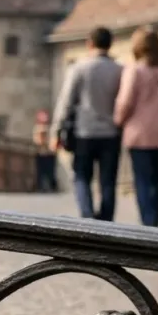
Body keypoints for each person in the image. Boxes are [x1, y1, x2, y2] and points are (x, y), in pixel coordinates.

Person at [52, 27, 123, 221]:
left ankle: (87, 215)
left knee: (81, 176)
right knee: (108, 180)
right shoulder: (119, 70)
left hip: (84, 131)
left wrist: (57, 130)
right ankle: (106, 220)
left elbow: (66, 101)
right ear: (110, 44)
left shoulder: (79, 68)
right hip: (111, 132)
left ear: (89, 44)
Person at [115, 28, 158, 227]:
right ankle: (155, 222)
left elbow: (125, 102)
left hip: (139, 133)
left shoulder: (135, 70)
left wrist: (119, 121)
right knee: (156, 179)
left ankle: (147, 223)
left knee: (142, 180)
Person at [32, 109, 58, 192]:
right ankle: (40, 187)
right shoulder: (37, 128)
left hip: (49, 153)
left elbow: (53, 140)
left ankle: (52, 186)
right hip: (41, 153)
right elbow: (37, 140)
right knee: (40, 172)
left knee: (50, 172)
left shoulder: (50, 128)